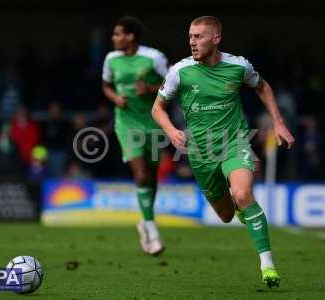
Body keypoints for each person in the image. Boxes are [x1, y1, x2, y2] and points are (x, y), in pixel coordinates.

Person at [152, 16, 294, 287]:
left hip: (235, 142)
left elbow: (262, 87)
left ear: (216, 39)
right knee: (226, 215)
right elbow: (157, 108)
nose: (192, 41)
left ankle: (267, 265)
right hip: (200, 152)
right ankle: (240, 208)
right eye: (190, 36)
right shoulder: (179, 71)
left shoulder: (238, 66)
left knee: (242, 194)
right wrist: (170, 131)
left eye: (199, 36)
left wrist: (278, 122)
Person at [102, 16, 168, 255]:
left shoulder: (154, 57)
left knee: (152, 176)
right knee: (140, 175)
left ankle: (146, 220)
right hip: (126, 122)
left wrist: (150, 89)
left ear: (130, 36)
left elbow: (172, 82)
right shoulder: (111, 59)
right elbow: (106, 85)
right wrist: (115, 98)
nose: (113, 38)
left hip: (153, 121)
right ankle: (152, 231)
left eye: (118, 34)